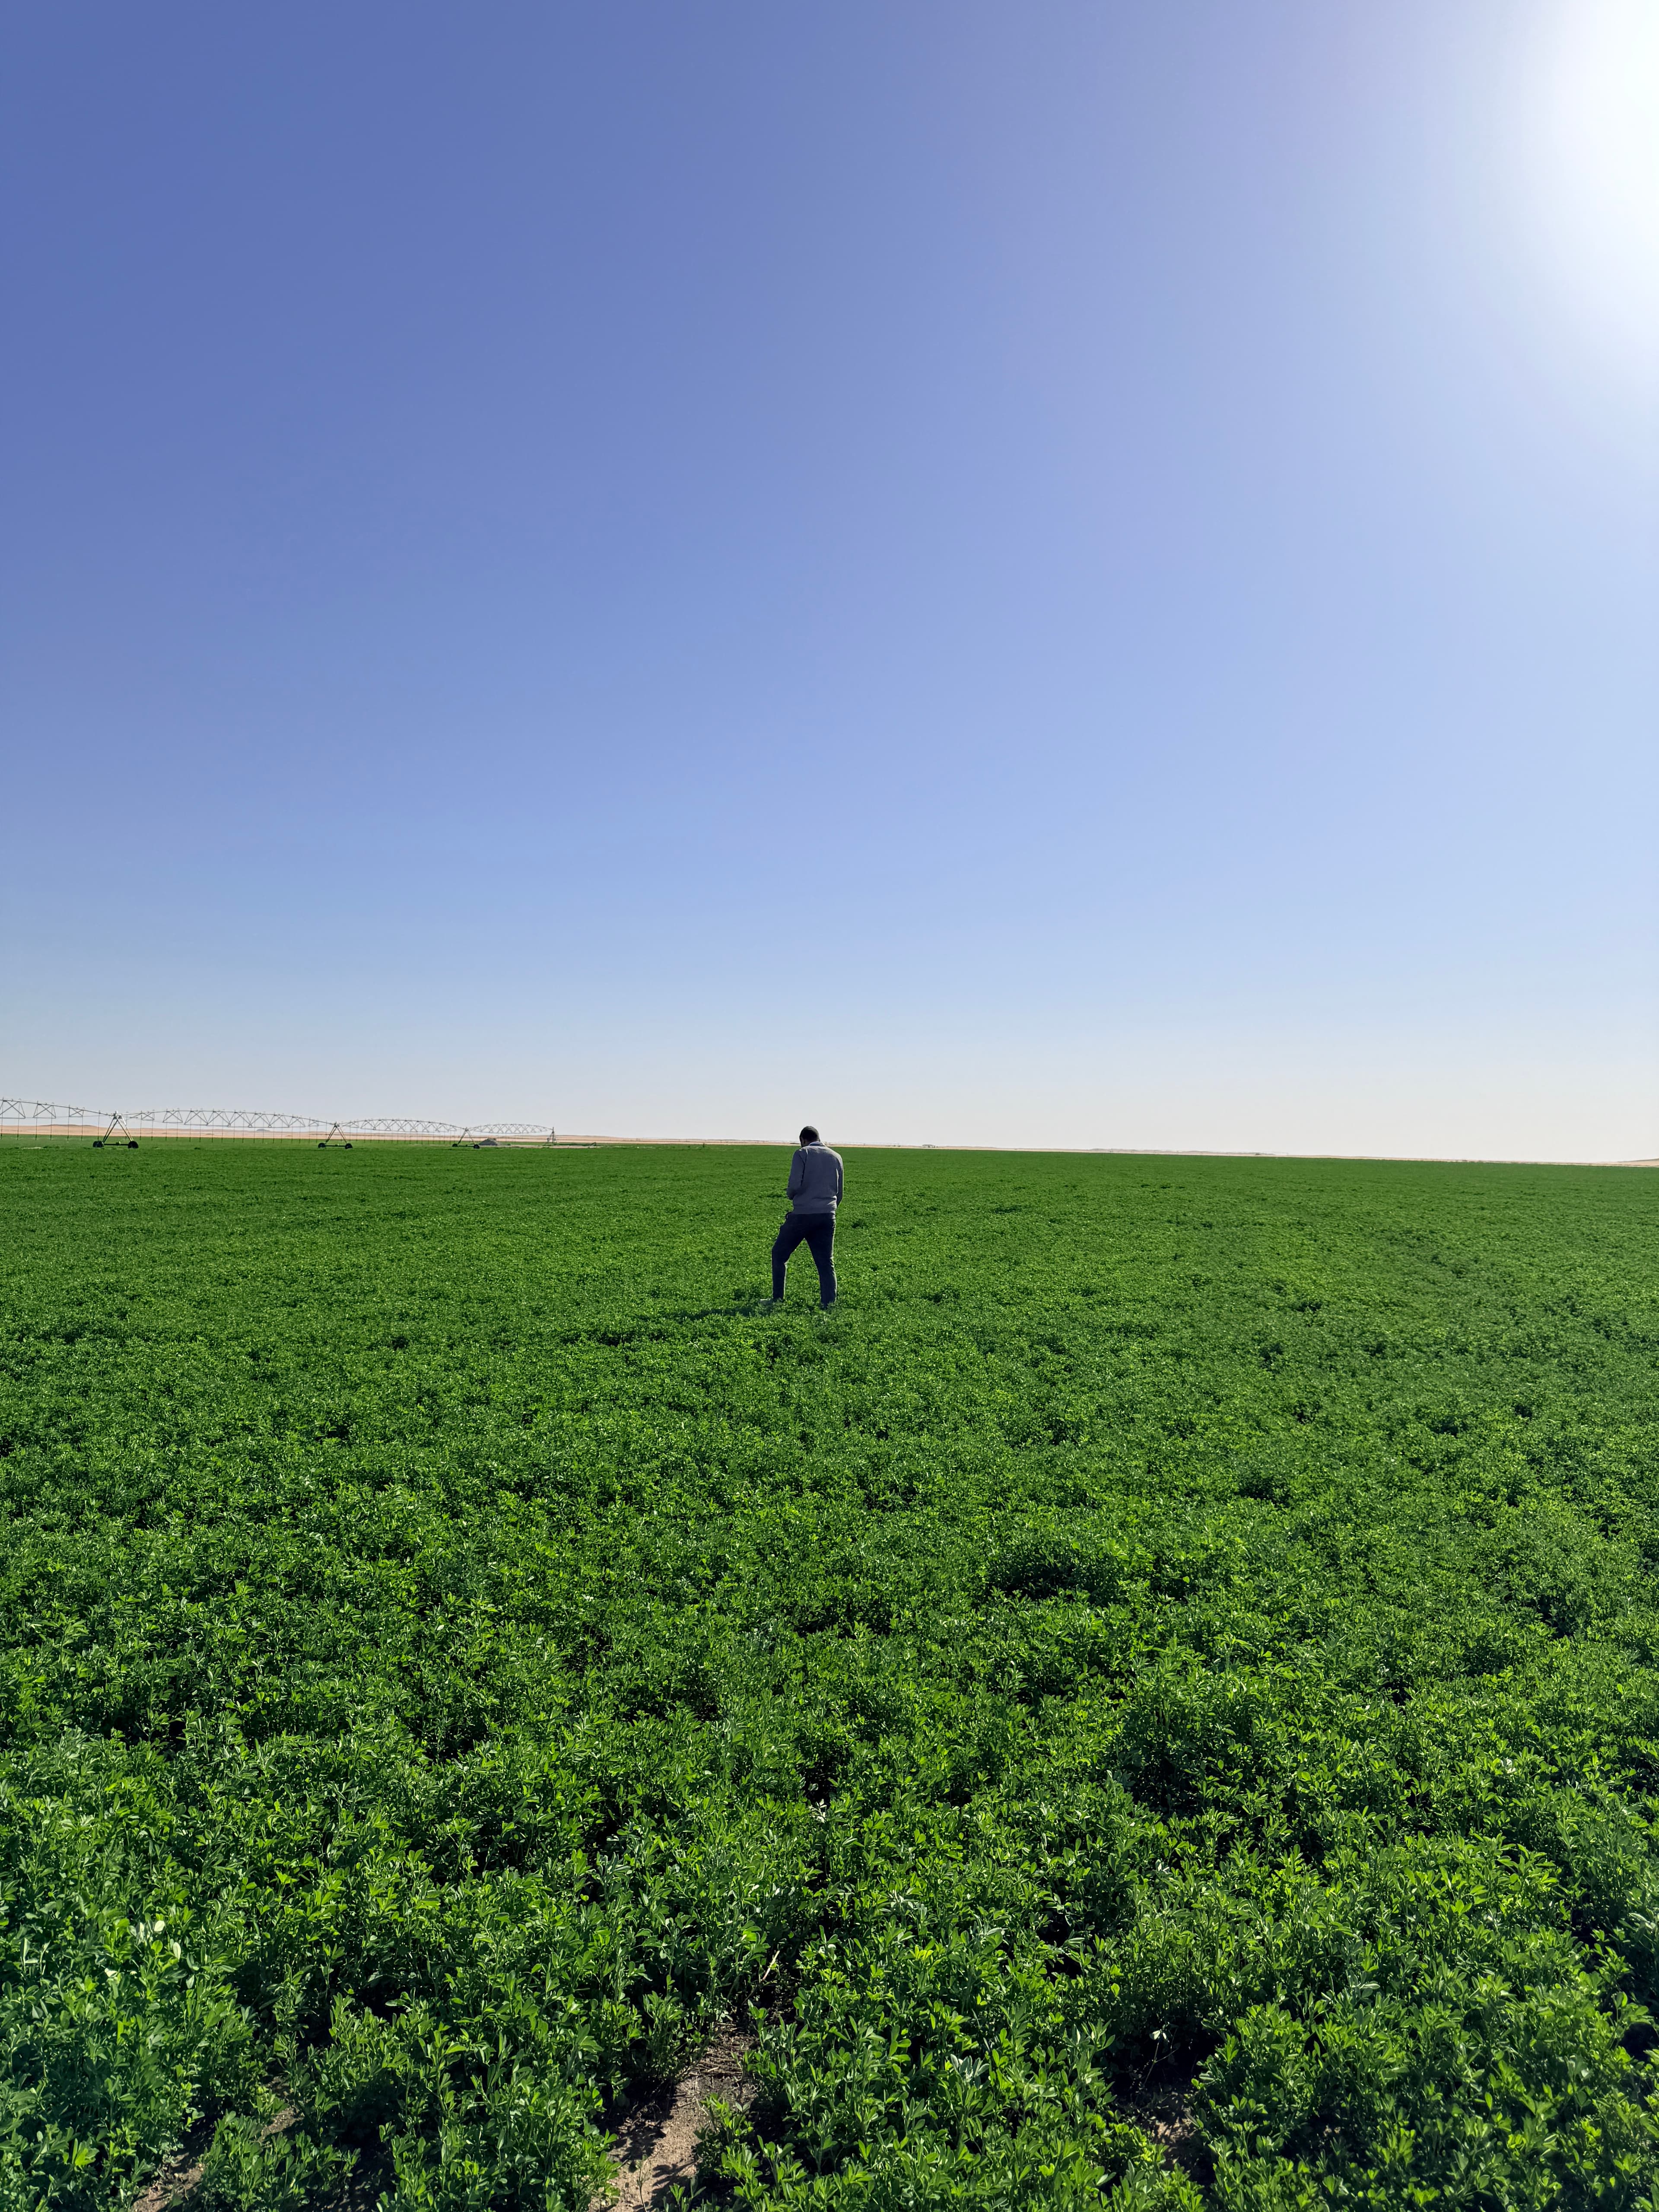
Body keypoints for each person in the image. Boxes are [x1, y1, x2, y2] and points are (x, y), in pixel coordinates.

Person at [768, 1125, 842, 1308]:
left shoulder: (802, 1154)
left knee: (779, 1254)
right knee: (826, 1263)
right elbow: (839, 1193)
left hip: (802, 1216)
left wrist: (790, 1195)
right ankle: (828, 1306)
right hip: (827, 1216)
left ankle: (777, 1300)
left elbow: (794, 1185)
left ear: (803, 1140)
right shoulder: (836, 1157)